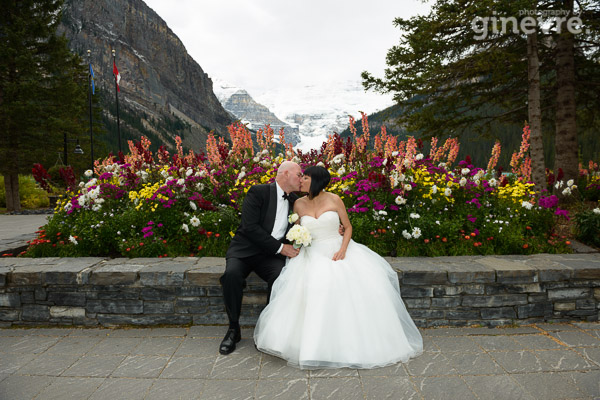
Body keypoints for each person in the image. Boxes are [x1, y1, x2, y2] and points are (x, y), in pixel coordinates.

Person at [254, 166, 423, 369]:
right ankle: (312, 345)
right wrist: (297, 242)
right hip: (311, 252)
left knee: (342, 282)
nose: (301, 181)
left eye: (305, 178)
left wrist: (343, 249)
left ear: (315, 181)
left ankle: (350, 343)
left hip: (337, 248)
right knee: (311, 287)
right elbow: (297, 229)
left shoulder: (335, 199)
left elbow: (348, 226)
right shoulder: (297, 203)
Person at [219, 161, 304, 355]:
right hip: (245, 250)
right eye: (299, 174)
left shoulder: (295, 202)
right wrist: (281, 248)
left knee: (281, 278)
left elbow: (308, 222)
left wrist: (336, 229)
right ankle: (233, 329)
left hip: (269, 256)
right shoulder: (258, 192)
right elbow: (250, 228)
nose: (301, 178)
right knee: (231, 276)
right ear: (285, 174)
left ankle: (267, 331)